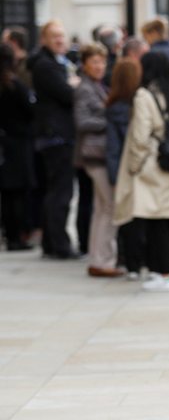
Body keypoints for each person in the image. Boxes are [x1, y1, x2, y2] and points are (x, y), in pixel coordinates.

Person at [113, 52, 169, 291]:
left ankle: (163, 273)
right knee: (168, 219)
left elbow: (140, 137)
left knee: (156, 221)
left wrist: (133, 166)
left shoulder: (144, 95)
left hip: (153, 165)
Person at [28, 20, 82, 260]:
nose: (60, 40)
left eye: (62, 36)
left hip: (57, 134)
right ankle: (59, 245)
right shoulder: (45, 66)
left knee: (57, 190)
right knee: (61, 192)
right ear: (44, 40)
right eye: (55, 36)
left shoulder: (55, 62)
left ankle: (52, 243)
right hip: (56, 136)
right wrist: (75, 85)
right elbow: (68, 94)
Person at [73, 42, 122, 277]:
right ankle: (103, 260)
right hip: (95, 155)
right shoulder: (85, 88)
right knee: (109, 207)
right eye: (94, 62)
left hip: (97, 154)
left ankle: (98, 259)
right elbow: (82, 121)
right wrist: (109, 123)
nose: (100, 66)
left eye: (102, 61)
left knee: (101, 209)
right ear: (85, 65)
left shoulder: (95, 86)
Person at [105, 58, 144, 279]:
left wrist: (114, 176)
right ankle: (138, 261)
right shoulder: (136, 105)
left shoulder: (113, 107)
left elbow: (112, 147)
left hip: (121, 167)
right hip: (135, 167)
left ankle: (131, 263)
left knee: (126, 219)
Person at [0, 42, 35, 250]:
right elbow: (31, 111)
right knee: (19, 193)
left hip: (4, 143)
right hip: (18, 143)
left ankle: (10, 234)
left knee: (6, 193)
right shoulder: (15, 85)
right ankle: (18, 237)